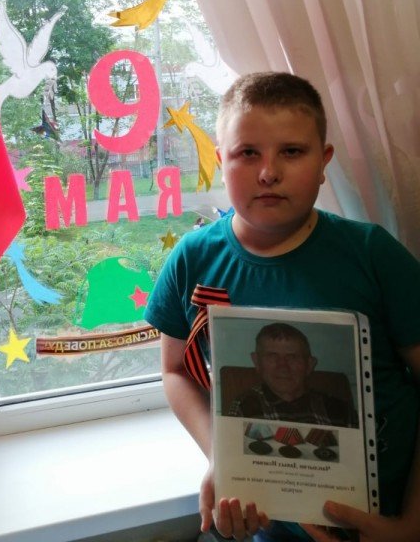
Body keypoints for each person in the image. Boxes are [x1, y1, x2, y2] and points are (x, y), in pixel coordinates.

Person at [144, 72, 420, 542]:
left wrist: (411, 525)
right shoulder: (192, 259)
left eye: (291, 151)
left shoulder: (372, 255)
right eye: (248, 153)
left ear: (324, 161)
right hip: (266, 528)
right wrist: (220, 459)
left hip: (387, 523)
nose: (268, 172)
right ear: (221, 160)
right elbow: (176, 371)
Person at [224, 322, 358, 428]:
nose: (283, 367)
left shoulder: (340, 411)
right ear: (257, 362)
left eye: (292, 357)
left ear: (309, 365)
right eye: (272, 356)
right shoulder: (244, 407)